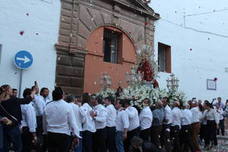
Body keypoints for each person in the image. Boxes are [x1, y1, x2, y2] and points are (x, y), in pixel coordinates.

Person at [43, 87, 81, 152]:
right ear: (62, 96)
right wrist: (76, 135)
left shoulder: (47, 106)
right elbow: (72, 122)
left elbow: (44, 122)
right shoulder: (67, 106)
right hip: (64, 135)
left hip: (51, 134)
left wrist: (45, 132)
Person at [0, 84, 34, 152]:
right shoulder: (13, 99)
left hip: (3, 127)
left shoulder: (1, 102)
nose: (12, 91)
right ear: (7, 91)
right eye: (10, 89)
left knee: (5, 147)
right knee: (18, 147)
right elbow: (26, 100)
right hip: (13, 126)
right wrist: (33, 92)